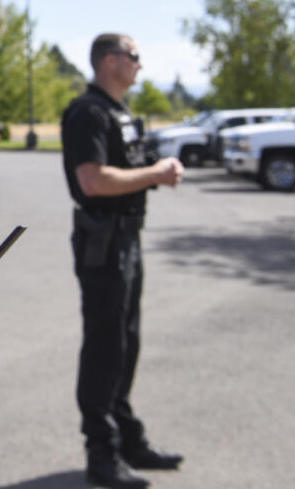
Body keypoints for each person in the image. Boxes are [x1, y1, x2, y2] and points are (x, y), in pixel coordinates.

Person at [60, 34, 185, 489]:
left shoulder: (120, 113)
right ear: (109, 61)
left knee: (126, 343)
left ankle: (127, 439)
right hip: (103, 244)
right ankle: (102, 455)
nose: (140, 65)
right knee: (105, 345)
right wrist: (156, 174)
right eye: (134, 57)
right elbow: (92, 181)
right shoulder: (87, 113)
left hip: (127, 240)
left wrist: (154, 165)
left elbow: (126, 164)